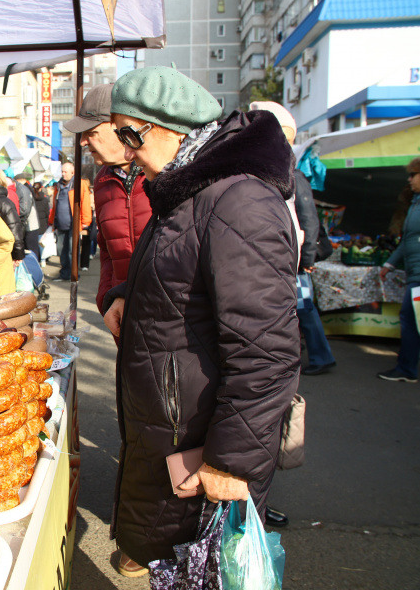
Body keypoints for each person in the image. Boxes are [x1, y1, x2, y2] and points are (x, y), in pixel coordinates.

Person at [102, 67, 300, 575]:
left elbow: (267, 352)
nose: (126, 151)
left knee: (199, 570)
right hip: (173, 427)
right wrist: (128, 294)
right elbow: (183, 272)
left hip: (201, 442)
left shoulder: (239, 200)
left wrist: (230, 464)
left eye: (131, 134)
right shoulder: (187, 191)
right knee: (172, 564)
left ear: (175, 127)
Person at [251, 101, 336, 379]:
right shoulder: (268, 174)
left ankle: (322, 356)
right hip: (286, 258)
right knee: (297, 309)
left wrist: (307, 259)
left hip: (297, 260)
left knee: (304, 308)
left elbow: (310, 222)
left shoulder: (295, 177)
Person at [64, 83, 151, 309]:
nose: (83, 142)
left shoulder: (162, 173)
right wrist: (106, 298)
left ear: (121, 127)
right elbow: (107, 252)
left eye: (91, 133)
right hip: (123, 313)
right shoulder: (102, 179)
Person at [378, 157, 420, 382]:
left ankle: (407, 368)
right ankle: (407, 365)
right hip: (414, 273)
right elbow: (407, 241)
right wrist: (389, 263)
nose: (409, 179)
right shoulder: (415, 202)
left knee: (410, 317)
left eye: (413, 175)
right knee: (411, 318)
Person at [48, 162, 92, 281]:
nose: (63, 174)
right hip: (60, 223)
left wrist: (86, 221)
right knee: (62, 250)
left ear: (73, 172)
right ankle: (64, 274)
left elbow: (85, 203)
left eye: (65, 172)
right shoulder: (58, 185)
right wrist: (52, 220)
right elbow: (55, 204)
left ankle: (73, 274)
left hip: (74, 223)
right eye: (62, 171)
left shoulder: (79, 184)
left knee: (73, 251)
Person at [15, 173, 41, 260]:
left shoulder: (24, 189)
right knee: (32, 249)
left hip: (30, 224)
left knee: (31, 250)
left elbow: (25, 210)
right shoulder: (27, 188)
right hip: (31, 224)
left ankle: (33, 269)